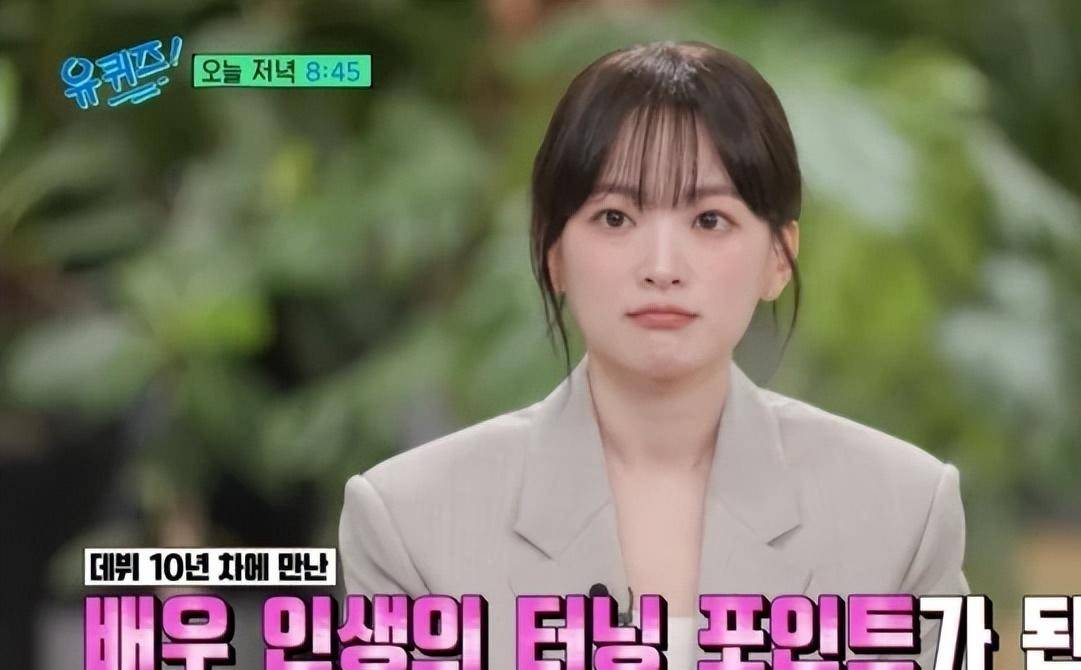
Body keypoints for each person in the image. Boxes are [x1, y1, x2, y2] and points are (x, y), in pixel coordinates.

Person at [338, 40, 969, 669]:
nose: (662, 268)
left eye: (709, 220)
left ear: (779, 256)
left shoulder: (905, 514)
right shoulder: (408, 523)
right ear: (553, 251)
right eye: (615, 218)